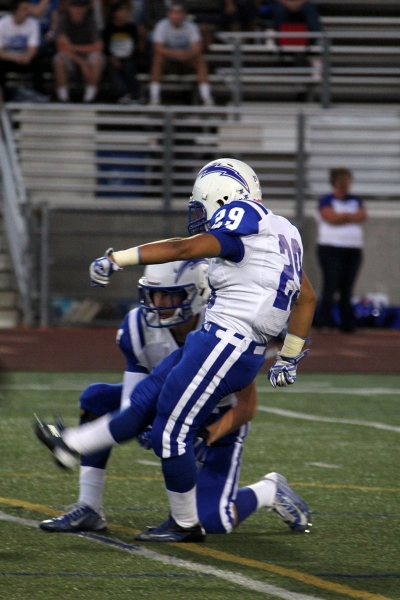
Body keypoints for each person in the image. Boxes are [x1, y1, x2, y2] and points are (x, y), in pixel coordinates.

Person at [35, 157, 317, 543]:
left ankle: (185, 524)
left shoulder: (241, 220)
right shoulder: (283, 232)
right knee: (145, 400)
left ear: (223, 197)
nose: (199, 213)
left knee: (171, 433)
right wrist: (288, 356)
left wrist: (117, 258)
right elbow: (308, 298)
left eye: (202, 205)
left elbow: (185, 248)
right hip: (220, 338)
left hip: (227, 343)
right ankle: (70, 444)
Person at [39, 259, 310, 535]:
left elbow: (247, 407)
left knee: (213, 521)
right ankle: (89, 506)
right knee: (97, 397)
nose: (159, 302)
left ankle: (268, 490)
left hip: (215, 418)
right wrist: (142, 423)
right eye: (155, 294)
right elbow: (134, 401)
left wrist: (207, 435)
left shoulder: (226, 325)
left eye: (170, 294)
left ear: (197, 293)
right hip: (165, 401)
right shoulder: (139, 327)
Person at [315, 167, 367, 333]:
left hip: (352, 249)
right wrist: (348, 217)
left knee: (347, 287)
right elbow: (330, 218)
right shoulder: (326, 199)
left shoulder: (355, 200)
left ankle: (347, 323)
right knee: (331, 284)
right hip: (331, 248)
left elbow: (362, 215)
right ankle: (324, 322)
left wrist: (342, 216)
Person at [148, 2, 214, 106]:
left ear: (184, 15)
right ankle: (154, 97)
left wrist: (187, 55)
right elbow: (158, 48)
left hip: (186, 60)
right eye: (173, 13)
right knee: (158, 58)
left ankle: (206, 97)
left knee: (200, 59)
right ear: (168, 14)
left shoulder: (191, 27)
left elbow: (197, 48)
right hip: (169, 61)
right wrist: (175, 53)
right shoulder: (162, 26)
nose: (176, 16)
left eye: (179, 13)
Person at [53, 0, 105, 102]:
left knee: (97, 60)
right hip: (71, 58)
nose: (78, 10)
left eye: (81, 7)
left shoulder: (90, 22)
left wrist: (72, 47)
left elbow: (98, 47)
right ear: (69, 8)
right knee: (59, 60)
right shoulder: (63, 21)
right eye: (75, 7)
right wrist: (82, 64)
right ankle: (63, 99)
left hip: (86, 56)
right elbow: (61, 47)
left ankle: (89, 98)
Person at [0, 0, 40, 102]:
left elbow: (33, 47)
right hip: (10, 58)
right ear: (15, 11)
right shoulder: (3, 24)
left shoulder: (33, 23)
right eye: (24, 9)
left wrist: (27, 57)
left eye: (27, 9)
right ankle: (4, 96)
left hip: (25, 58)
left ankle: (38, 93)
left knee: (39, 61)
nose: (27, 12)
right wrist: (15, 58)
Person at [103, 0, 141, 103]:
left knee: (129, 66)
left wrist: (129, 56)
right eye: (122, 11)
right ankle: (123, 93)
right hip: (112, 58)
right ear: (115, 13)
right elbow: (104, 48)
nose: (125, 14)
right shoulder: (108, 29)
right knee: (111, 68)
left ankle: (135, 94)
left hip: (128, 57)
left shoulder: (132, 28)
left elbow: (135, 46)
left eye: (126, 11)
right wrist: (112, 58)